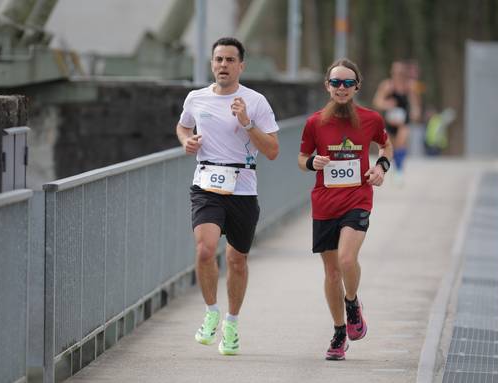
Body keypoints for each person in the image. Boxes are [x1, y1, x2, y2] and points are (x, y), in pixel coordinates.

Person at [175, 37, 280, 356]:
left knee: (237, 259)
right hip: (206, 184)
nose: (223, 65)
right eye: (218, 59)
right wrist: (186, 142)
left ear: (241, 66)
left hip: (243, 188)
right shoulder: (196, 98)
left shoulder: (256, 101)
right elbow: (182, 127)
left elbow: (273, 151)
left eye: (230, 60)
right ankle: (211, 312)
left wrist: (247, 122)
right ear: (212, 64)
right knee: (206, 250)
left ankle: (232, 323)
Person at [297, 58, 393, 360]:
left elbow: (385, 147)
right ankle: (339, 332)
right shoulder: (315, 122)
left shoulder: (371, 119)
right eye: (336, 82)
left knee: (347, 258)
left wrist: (381, 167)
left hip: (357, 199)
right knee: (331, 272)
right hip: (325, 203)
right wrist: (313, 162)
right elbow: (302, 158)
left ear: (357, 87)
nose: (342, 88)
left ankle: (352, 304)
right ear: (327, 86)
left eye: (348, 83)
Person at [372, 60, 420, 182]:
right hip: (390, 121)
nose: (398, 75)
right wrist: (387, 104)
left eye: (401, 72)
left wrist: (415, 111)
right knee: (391, 147)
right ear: (392, 72)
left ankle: (399, 171)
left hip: (404, 120)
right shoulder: (387, 85)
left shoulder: (409, 86)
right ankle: (395, 166)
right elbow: (377, 102)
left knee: (401, 142)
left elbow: (415, 103)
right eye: (396, 72)